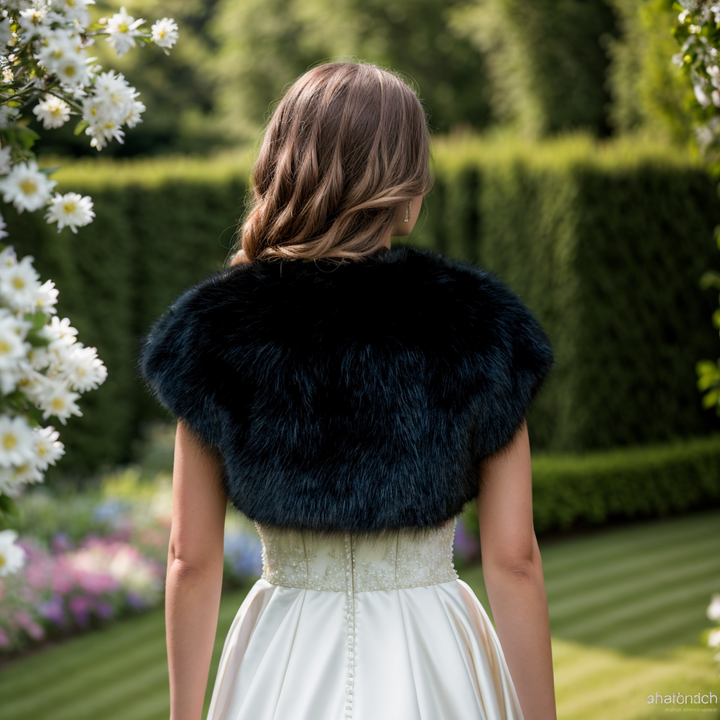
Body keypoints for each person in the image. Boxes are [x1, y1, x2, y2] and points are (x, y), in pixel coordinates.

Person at [138, 60, 558, 720]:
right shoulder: (478, 327)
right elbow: (515, 561)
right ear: (408, 185)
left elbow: (190, 558)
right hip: (433, 648)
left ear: (281, 164)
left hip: (283, 656)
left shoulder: (215, 330)